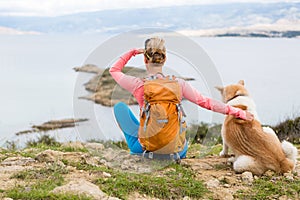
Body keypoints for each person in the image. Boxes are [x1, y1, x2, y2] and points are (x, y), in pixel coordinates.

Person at [109, 37, 253, 160]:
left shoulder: (138, 85)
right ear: (164, 59)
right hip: (176, 151)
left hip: (146, 149)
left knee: (119, 107)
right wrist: (240, 113)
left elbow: (113, 70)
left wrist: (132, 52)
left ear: (145, 59)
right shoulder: (179, 84)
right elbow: (207, 103)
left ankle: (138, 150)